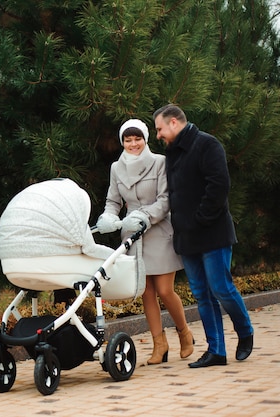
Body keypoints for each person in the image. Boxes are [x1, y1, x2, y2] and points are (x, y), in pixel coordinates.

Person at [153, 104, 254, 368]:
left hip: (212, 233)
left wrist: (199, 220)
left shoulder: (207, 144)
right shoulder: (172, 153)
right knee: (201, 294)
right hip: (186, 238)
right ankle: (216, 351)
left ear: (174, 122)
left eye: (160, 129)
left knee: (221, 288)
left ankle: (245, 332)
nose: (158, 135)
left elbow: (219, 186)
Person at [96, 119, 194, 365]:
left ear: (145, 139)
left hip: (158, 229)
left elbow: (165, 199)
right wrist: (109, 216)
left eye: (137, 139)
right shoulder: (116, 168)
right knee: (146, 292)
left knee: (164, 290)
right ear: (122, 142)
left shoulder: (160, 162)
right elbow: (113, 201)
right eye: (128, 140)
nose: (133, 144)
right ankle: (159, 344)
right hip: (132, 234)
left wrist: (145, 216)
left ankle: (184, 332)